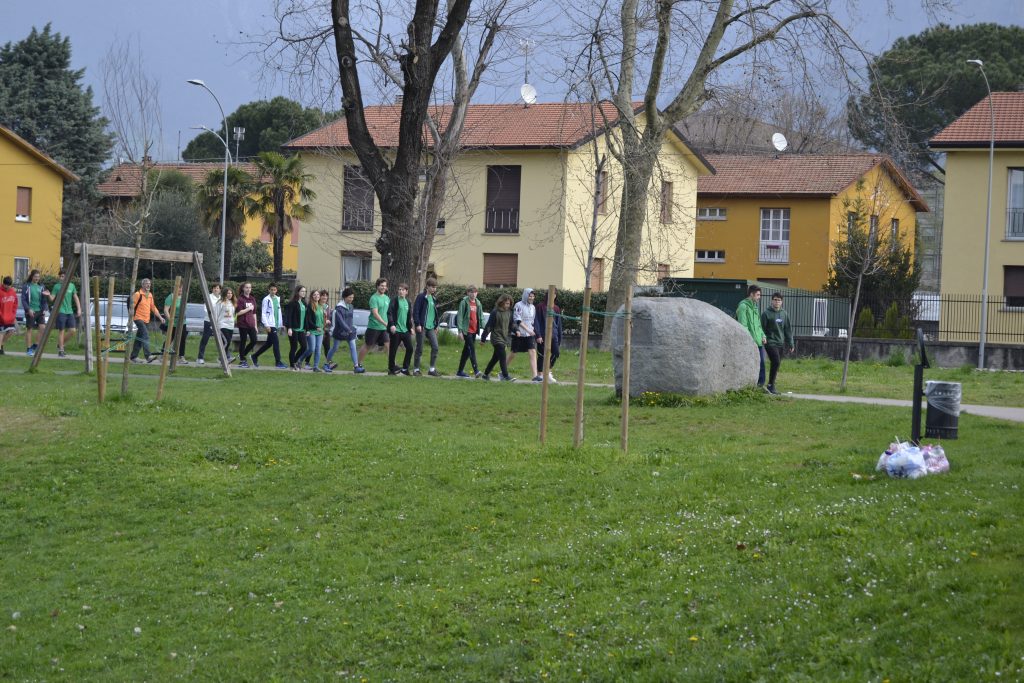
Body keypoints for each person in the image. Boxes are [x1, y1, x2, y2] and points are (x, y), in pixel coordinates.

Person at [761, 293, 795, 395]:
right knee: (776, 361)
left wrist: (791, 343)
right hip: (770, 342)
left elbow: (788, 329)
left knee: (777, 364)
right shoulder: (766, 314)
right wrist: (763, 338)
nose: (777, 302)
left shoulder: (784, 314)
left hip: (780, 342)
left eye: (779, 300)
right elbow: (762, 328)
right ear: (772, 301)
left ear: (782, 302)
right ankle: (770, 385)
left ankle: (771, 385)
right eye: (775, 300)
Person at [325, 287, 363, 373]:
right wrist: (347, 329)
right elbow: (341, 321)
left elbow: (350, 319)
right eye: (350, 297)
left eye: (352, 297)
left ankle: (356, 366)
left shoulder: (351, 306)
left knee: (353, 347)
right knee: (335, 348)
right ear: (344, 297)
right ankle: (327, 363)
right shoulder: (339, 307)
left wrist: (352, 329)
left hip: (350, 331)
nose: (351, 299)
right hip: (340, 332)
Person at [737, 284, 767, 388]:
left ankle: (760, 385)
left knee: (761, 363)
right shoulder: (743, 306)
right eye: (758, 295)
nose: (759, 297)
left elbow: (758, 325)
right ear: (751, 294)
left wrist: (763, 336)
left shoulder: (755, 307)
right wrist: (749, 339)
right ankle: (751, 385)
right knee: (750, 364)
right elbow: (743, 325)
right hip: (750, 341)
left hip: (758, 341)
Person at [509, 287, 542, 382]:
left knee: (533, 351)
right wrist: (527, 329)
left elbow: (532, 321)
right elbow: (518, 320)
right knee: (513, 353)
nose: (531, 298)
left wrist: (535, 333)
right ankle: (503, 371)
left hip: (529, 335)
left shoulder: (533, 307)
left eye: (533, 296)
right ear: (525, 296)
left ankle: (535, 376)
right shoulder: (518, 305)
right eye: (530, 296)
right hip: (518, 334)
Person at [480, 293, 515, 381]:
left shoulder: (509, 312)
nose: (508, 305)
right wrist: (483, 338)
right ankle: (505, 376)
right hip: (496, 338)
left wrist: (517, 330)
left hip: (504, 337)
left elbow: (512, 324)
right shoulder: (495, 312)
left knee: (495, 358)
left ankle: (485, 374)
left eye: (509, 304)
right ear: (501, 302)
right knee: (502, 355)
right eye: (506, 303)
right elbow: (489, 326)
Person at [129, 278, 164, 363]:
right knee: (145, 335)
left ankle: (134, 356)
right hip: (138, 318)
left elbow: (153, 307)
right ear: (142, 285)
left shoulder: (150, 295)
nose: (148, 285)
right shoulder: (138, 294)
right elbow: (131, 307)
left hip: (146, 320)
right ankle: (148, 356)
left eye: (149, 284)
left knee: (139, 339)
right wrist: (129, 320)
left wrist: (160, 317)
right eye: (146, 283)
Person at [252, 283, 286, 368]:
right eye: (271, 290)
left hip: (275, 324)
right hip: (270, 325)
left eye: (274, 290)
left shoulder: (277, 299)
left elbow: (278, 312)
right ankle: (278, 362)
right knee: (276, 343)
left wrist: (281, 324)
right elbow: (263, 313)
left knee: (269, 344)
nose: (273, 291)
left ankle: (254, 356)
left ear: (276, 290)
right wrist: (266, 325)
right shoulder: (266, 299)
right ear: (268, 290)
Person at [48, 269, 81, 358]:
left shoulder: (72, 286)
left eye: (63, 276)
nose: (61, 278)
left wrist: (79, 309)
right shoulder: (57, 286)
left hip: (69, 311)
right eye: (60, 276)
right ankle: (61, 350)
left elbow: (76, 297)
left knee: (73, 330)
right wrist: (48, 295)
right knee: (61, 331)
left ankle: (60, 344)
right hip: (60, 311)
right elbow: (52, 298)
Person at [358, 278, 390, 367]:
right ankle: (358, 364)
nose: (383, 287)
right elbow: (375, 314)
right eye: (381, 286)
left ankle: (391, 365)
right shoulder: (374, 298)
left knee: (388, 345)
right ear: (377, 286)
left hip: (384, 328)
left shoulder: (387, 298)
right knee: (368, 346)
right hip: (374, 327)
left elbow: (388, 312)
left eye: (385, 286)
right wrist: (385, 323)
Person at [412, 277, 440, 376]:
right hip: (422, 327)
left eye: (435, 287)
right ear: (427, 286)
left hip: (431, 327)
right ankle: (416, 370)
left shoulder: (434, 298)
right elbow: (416, 311)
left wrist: (436, 325)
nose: (434, 289)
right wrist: (418, 324)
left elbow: (435, 313)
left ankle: (432, 369)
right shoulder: (421, 297)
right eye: (432, 287)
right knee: (419, 348)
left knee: (435, 347)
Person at [534, 289, 562, 383]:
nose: (552, 296)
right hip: (542, 335)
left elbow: (558, 323)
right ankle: (540, 375)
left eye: (554, 294)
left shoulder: (556, 308)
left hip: (553, 335)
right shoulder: (540, 306)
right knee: (541, 355)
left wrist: (559, 336)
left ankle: (548, 372)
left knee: (556, 353)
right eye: (550, 294)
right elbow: (536, 321)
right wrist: (538, 335)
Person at [455, 285, 482, 378]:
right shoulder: (464, 302)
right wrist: (460, 331)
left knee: (466, 351)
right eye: (471, 292)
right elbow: (460, 317)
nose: (473, 294)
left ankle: (460, 371)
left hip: (474, 331)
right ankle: (476, 371)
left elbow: (480, 316)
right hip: (467, 331)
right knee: (471, 349)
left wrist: (484, 328)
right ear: (468, 293)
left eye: (475, 292)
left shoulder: (478, 303)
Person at [387, 283, 414, 375]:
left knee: (410, 348)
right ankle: (391, 370)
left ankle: (405, 369)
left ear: (406, 292)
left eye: (403, 290)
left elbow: (408, 317)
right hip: (396, 330)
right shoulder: (394, 300)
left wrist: (410, 328)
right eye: (399, 289)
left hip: (405, 330)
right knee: (393, 350)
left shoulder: (408, 302)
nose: (400, 291)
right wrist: (392, 325)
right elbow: (389, 313)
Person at [21, 269, 49, 356]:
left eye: (38, 277)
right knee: (30, 329)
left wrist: (44, 309)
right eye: (35, 276)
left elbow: (44, 300)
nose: (37, 278)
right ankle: (29, 349)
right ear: (32, 277)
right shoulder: (26, 286)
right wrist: (28, 309)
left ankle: (35, 345)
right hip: (31, 311)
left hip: (40, 311)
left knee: (43, 328)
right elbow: (23, 299)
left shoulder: (42, 286)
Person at [161, 281, 190, 364]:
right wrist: (170, 319)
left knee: (182, 338)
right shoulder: (171, 297)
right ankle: (163, 355)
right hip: (173, 321)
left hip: (182, 322)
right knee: (170, 338)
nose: (181, 290)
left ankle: (181, 357)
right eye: (179, 288)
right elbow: (166, 310)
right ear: (175, 288)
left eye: (182, 288)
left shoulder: (184, 297)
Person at [283, 285, 308, 371]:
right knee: (294, 347)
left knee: (304, 347)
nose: (304, 293)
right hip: (293, 328)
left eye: (305, 291)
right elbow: (289, 316)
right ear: (297, 292)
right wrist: (289, 328)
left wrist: (307, 329)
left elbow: (305, 317)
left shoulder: (304, 303)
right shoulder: (292, 303)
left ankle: (294, 361)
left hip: (301, 329)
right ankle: (292, 365)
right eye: (302, 291)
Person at [196, 283, 221, 365]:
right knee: (205, 339)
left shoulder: (221, 298)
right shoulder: (209, 297)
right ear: (212, 289)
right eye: (214, 288)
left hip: (219, 322)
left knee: (222, 340)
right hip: (209, 321)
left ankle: (222, 358)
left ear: (220, 290)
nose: (216, 289)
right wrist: (212, 316)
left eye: (217, 288)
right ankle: (200, 358)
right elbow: (206, 309)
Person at [235, 282, 258, 368]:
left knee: (254, 340)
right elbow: (238, 313)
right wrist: (248, 309)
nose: (248, 289)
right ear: (243, 288)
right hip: (243, 323)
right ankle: (242, 360)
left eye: (250, 287)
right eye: (247, 287)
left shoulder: (252, 299)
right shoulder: (240, 299)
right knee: (243, 341)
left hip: (251, 323)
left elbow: (254, 313)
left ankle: (242, 354)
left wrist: (255, 325)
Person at [303, 289, 326, 372]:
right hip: (312, 330)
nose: (316, 296)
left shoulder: (321, 306)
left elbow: (321, 318)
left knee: (318, 349)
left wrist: (324, 325)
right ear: (312, 297)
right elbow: (308, 320)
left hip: (320, 331)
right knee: (311, 349)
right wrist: (316, 327)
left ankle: (315, 367)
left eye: (318, 294)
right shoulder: (310, 306)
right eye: (314, 295)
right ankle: (299, 360)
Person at [214, 286, 238, 363]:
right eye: (228, 293)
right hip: (222, 325)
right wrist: (215, 325)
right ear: (224, 294)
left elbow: (233, 315)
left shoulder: (232, 303)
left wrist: (234, 320)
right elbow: (216, 314)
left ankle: (225, 358)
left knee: (228, 342)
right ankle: (223, 357)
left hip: (230, 326)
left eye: (231, 293)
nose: (230, 295)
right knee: (226, 341)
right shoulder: (220, 303)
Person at [0, 276, 18, 355]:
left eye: (9, 285)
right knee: (1, 332)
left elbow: (15, 304)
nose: (7, 286)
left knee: (11, 331)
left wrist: (13, 313)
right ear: (3, 284)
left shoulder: (12, 292)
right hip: (1, 317)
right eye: (6, 285)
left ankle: (1, 344)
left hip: (10, 317)